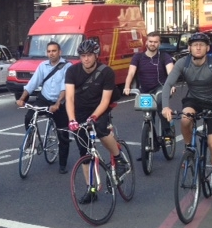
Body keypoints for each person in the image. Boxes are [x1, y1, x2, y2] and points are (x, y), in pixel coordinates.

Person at [161, 32, 212, 199]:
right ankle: (189, 149)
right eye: (194, 45)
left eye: (201, 45)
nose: (198, 47)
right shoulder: (182, 63)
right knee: (185, 118)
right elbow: (168, 84)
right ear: (189, 48)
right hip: (194, 100)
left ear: (207, 48)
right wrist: (165, 107)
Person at [65, 40, 127, 204]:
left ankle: (119, 157)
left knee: (100, 129)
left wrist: (94, 117)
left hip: (99, 108)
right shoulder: (72, 71)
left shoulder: (106, 72)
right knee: (85, 153)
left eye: (89, 55)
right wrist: (72, 119)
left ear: (96, 55)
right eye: (83, 56)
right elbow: (69, 97)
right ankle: (91, 189)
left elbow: (105, 100)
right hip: (79, 111)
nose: (86, 59)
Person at [15, 41, 72, 174]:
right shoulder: (42, 66)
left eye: (54, 51)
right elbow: (32, 83)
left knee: (63, 134)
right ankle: (30, 138)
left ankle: (63, 164)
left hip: (60, 102)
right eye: (49, 51)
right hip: (44, 98)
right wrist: (22, 98)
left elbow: (65, 88)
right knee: (29, 116)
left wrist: (58, 104)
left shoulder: (67, 67)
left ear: (60, 52)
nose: (51, 53)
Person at [124, 31, 175, 160]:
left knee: (160, 105)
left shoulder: (165, 57)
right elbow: (131, 73)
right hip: (145, 90)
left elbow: (171, 72)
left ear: (159, 43)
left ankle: (167, 132)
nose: (152, 44)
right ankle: (149, 144)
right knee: (147, 115)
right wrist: (127, 86)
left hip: (161, 89)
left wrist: (172, 85)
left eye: (155, 42)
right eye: (150, 41)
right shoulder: (138, 57)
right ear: (146, 42)